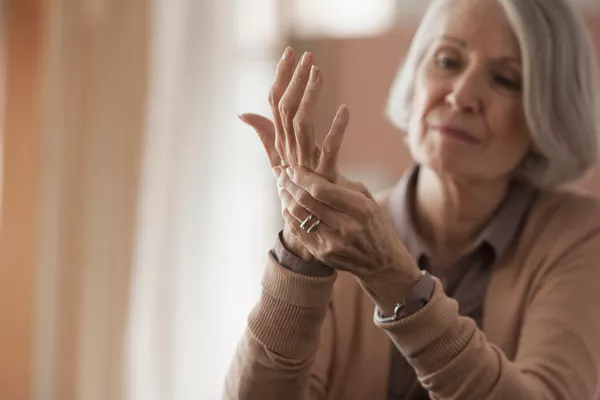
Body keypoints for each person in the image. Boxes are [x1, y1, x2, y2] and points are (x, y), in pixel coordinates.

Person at [224, 0, 600, 398]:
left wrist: (396, 281)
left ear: (547, 115)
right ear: (415, 77)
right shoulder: (338, 234)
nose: (462, 94)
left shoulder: (580, 235)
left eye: (505, 79)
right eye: (447, 61)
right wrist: (298, 258)